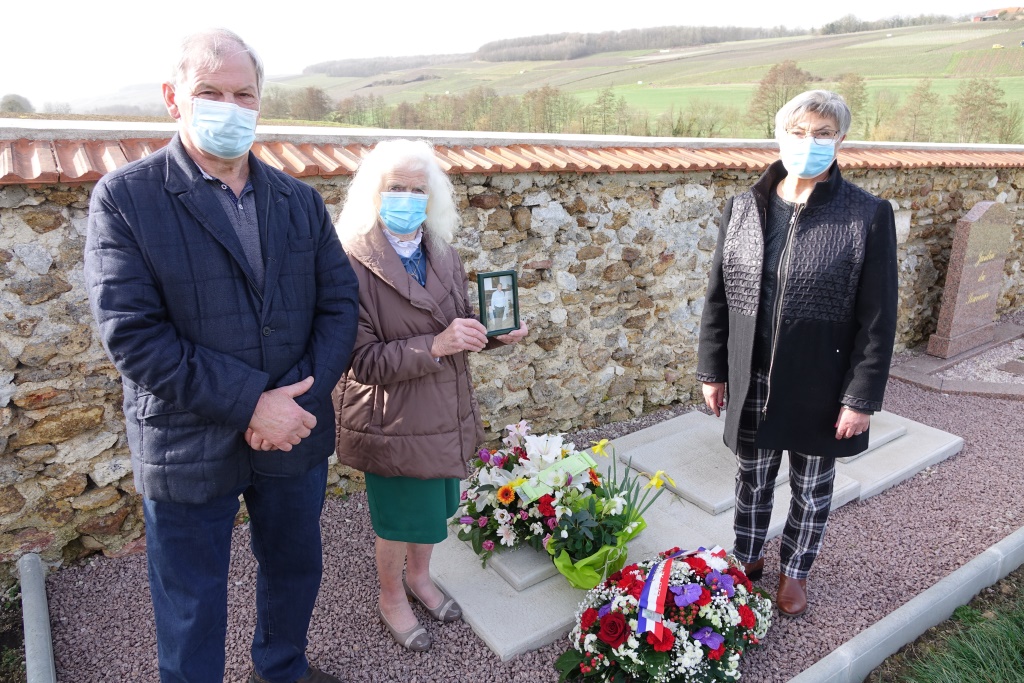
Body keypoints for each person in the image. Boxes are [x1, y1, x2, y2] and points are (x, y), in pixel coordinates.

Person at [84, 29, 359, 683]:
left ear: (260, 103)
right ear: (172, 98)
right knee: (191, 600)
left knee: (295, 567)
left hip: (293, 430)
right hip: (186, 439)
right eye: (210, 92)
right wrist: (250, 403)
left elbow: (340, 306)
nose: (228, 107)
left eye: (244, 94)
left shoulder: (299, 201)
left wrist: (295, 402)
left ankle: (282, 664)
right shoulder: (125, 199)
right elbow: (133, 334)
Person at [696, 90, 897, 617]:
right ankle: (747, 558)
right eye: (800, 131)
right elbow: (719, 297)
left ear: (841, 140)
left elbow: (879, 318)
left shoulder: (867, 215)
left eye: (824, 133)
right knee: (752, 478)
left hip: (821, 378)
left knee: (811, 486)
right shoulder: (743, 208)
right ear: (780, 135)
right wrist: (713, 370)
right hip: (753, 372)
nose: (810, 142)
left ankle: (796, 571)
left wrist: (860, 397)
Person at [332, 139, 528, 651]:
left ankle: (420, 578)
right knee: (399, 519)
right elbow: (361, 361)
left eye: (418, 189)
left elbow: (457, 328)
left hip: (445, 411)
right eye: (396, 188)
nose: (407, 198)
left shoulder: (442, 251)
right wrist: (436, 345)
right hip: (393, 419)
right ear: (374, 194)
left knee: (434, 511)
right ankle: (391, 594)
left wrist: (491, 334)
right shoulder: (350, 261)